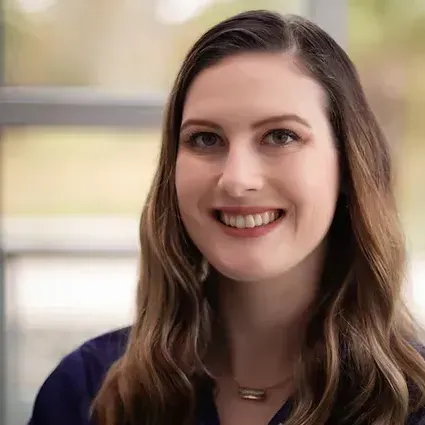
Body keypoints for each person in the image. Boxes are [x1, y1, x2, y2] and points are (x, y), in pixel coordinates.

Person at [28, 9, 425, 425]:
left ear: (346, 165)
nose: (236, 180)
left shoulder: (411, 404)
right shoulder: (83, 393)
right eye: (205, 138)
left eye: (281, 136)